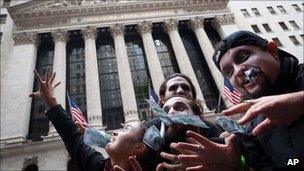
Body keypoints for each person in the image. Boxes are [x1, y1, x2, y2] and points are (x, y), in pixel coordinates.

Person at [166, 30, 303, 170]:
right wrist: (238, 165)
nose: (238, 71)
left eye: (242, 57)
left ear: (273, 51)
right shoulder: (254, 127)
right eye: (229, 72)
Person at [29, 67, 176, 171]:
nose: (115, 132)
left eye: (126, 128)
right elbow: (73, 138)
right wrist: (50, 102)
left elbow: (74, 139)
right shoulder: (99, 166)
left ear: (139, 147)